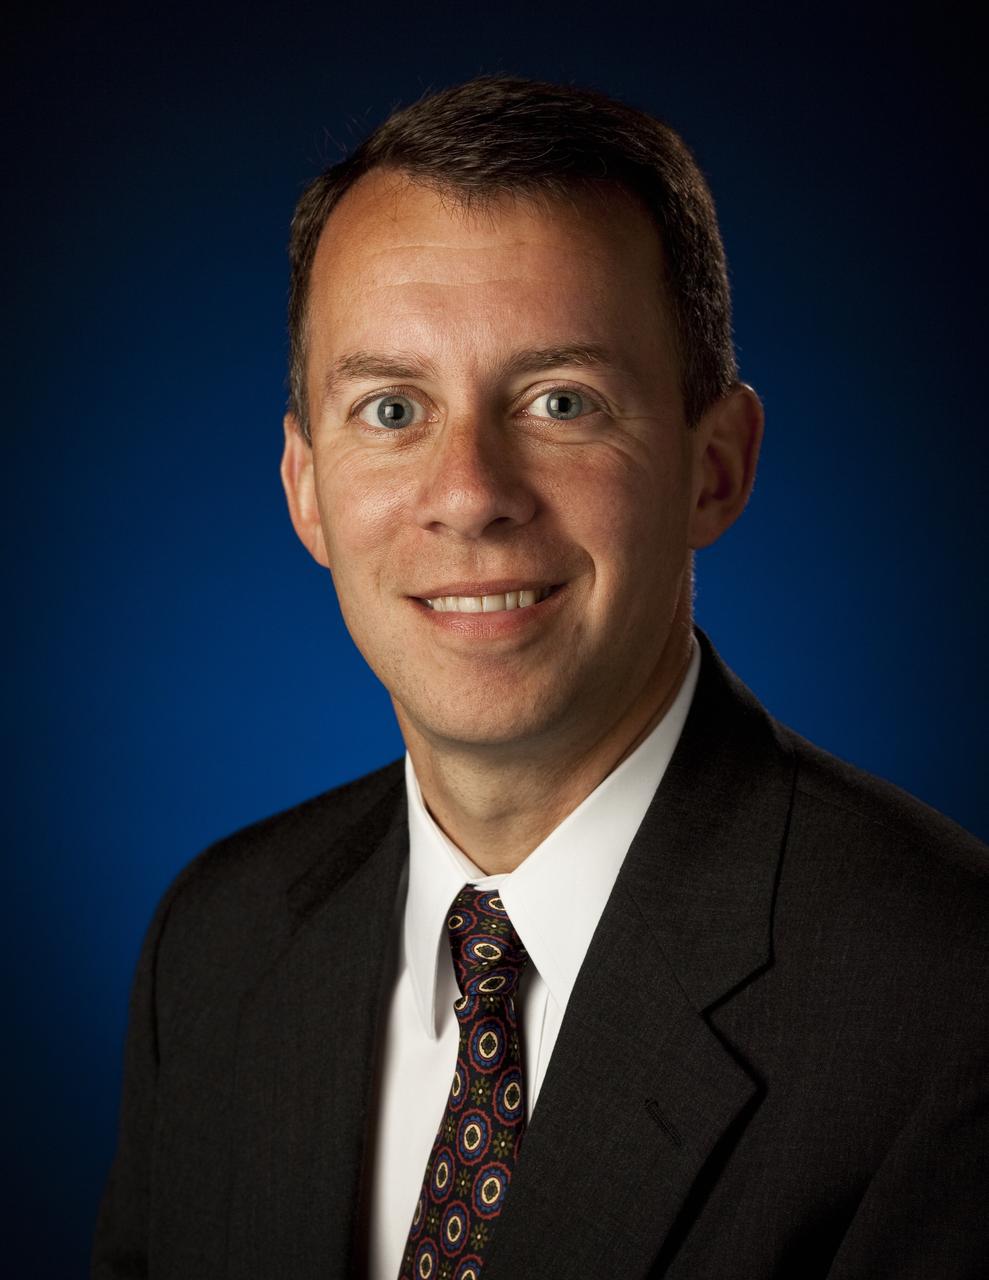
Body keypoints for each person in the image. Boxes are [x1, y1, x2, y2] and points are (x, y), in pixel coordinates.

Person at [93, 75, 988, 1280]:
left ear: (714, 468)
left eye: (560, 401)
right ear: (306, 489)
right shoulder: (215, 946)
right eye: (391, 408)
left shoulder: (946, 997)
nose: (469, 493)